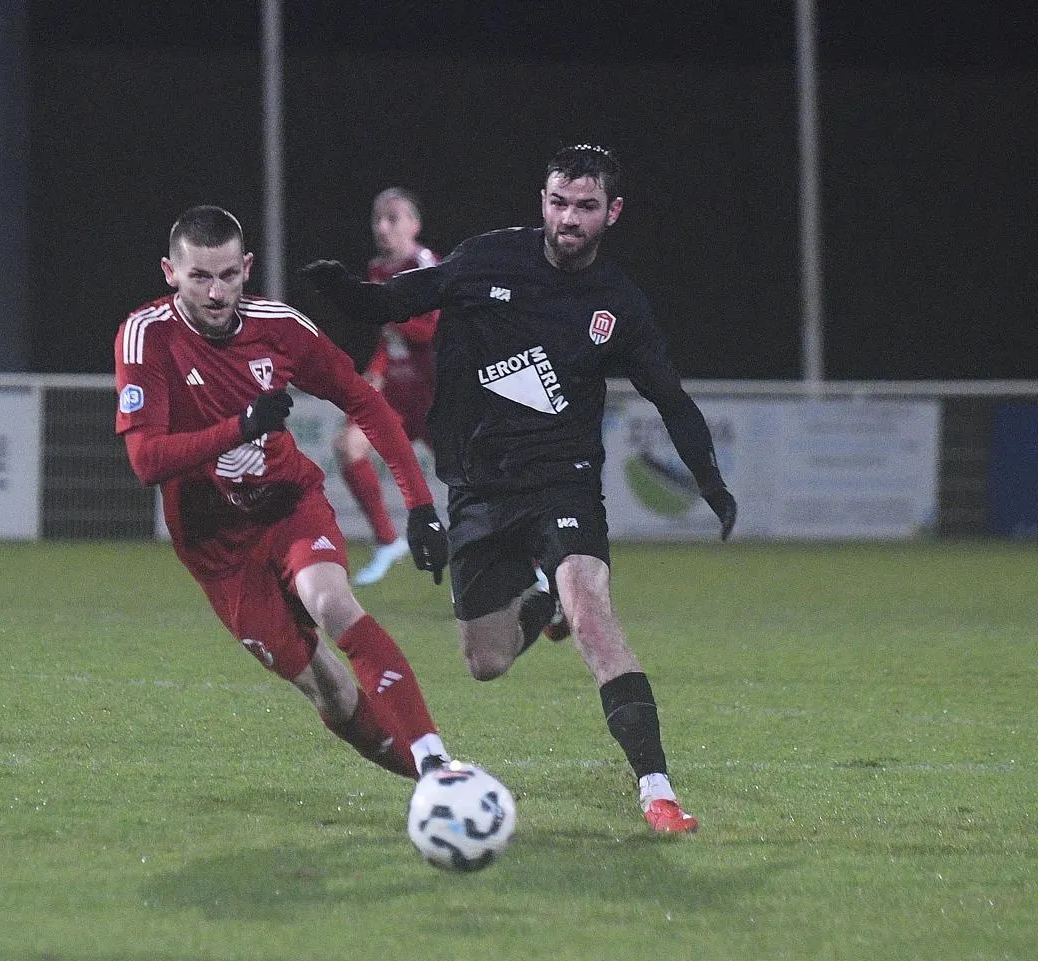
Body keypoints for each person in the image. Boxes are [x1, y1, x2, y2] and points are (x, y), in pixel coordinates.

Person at [301, 144, 738, 834]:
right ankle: (542, 604)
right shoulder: (489, 259)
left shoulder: (618, 303)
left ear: (612, 213)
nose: (569, 218)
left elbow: (670, 396)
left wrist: (709, 480)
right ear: (543, 201)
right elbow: (395, 300)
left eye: (586, 206)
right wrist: (341, 290)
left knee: (592, 614)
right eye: (559, 202)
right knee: (486, 661)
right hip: (479, 486)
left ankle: (657, 792)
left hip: (564, 480)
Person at [115, 205, 454, 782]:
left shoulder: (279, 326)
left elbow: (366, 402)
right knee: (332, 692)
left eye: (228, 275)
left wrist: (420, 506)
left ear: (247, 268)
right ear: (171, 273)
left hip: (287, 506)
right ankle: (427, 780)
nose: (216, 292)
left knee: (332, 603)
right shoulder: (147, 336)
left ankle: (438, 766)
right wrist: (241, 426)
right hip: (216, 548)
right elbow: (146, 461)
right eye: (200, 277)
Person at [334, 188, 441, 586]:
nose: (382, 226)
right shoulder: (378, 269)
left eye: (393, 218)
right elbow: (387, 336)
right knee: (348, 447)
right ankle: (387, 541)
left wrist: (386, 311)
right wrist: (376, 369)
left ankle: (533, 566)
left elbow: (430, 329)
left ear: (414, 225)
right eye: (377, 219)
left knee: (473, 480)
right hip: (396, 393)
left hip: (433, 395)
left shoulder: (424, 265)